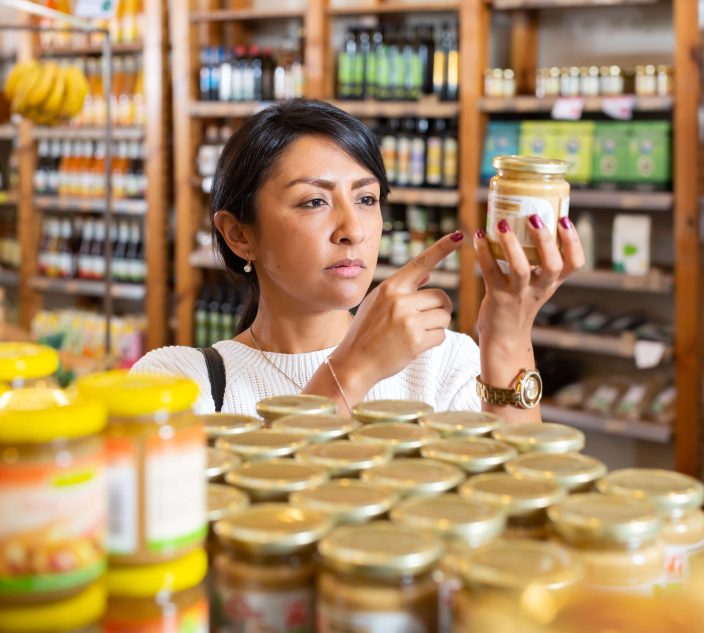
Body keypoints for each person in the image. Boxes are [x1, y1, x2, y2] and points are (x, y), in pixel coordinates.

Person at [132, 100, 584, 422]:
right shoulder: (175, 381)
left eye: (366, 198)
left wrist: (507, 336)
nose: (354, 229)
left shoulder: (444, 360)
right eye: (313, 202)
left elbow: (512, 506)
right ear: (239, 234)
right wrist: (353, 370)